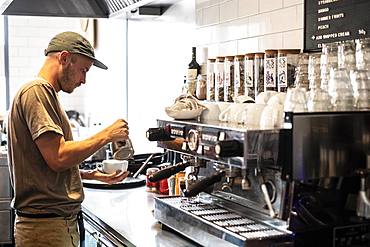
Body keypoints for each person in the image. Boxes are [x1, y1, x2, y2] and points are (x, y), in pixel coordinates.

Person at [7, 31, 130, 246]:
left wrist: (92, 175)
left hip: (50, 227)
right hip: (47, 230)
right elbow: (58, 158)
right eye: (83, 70)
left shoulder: (45, 93)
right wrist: (107, 135)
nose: (84, 79)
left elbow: (43, 167)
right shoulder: (37, 90)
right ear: (64, 58)